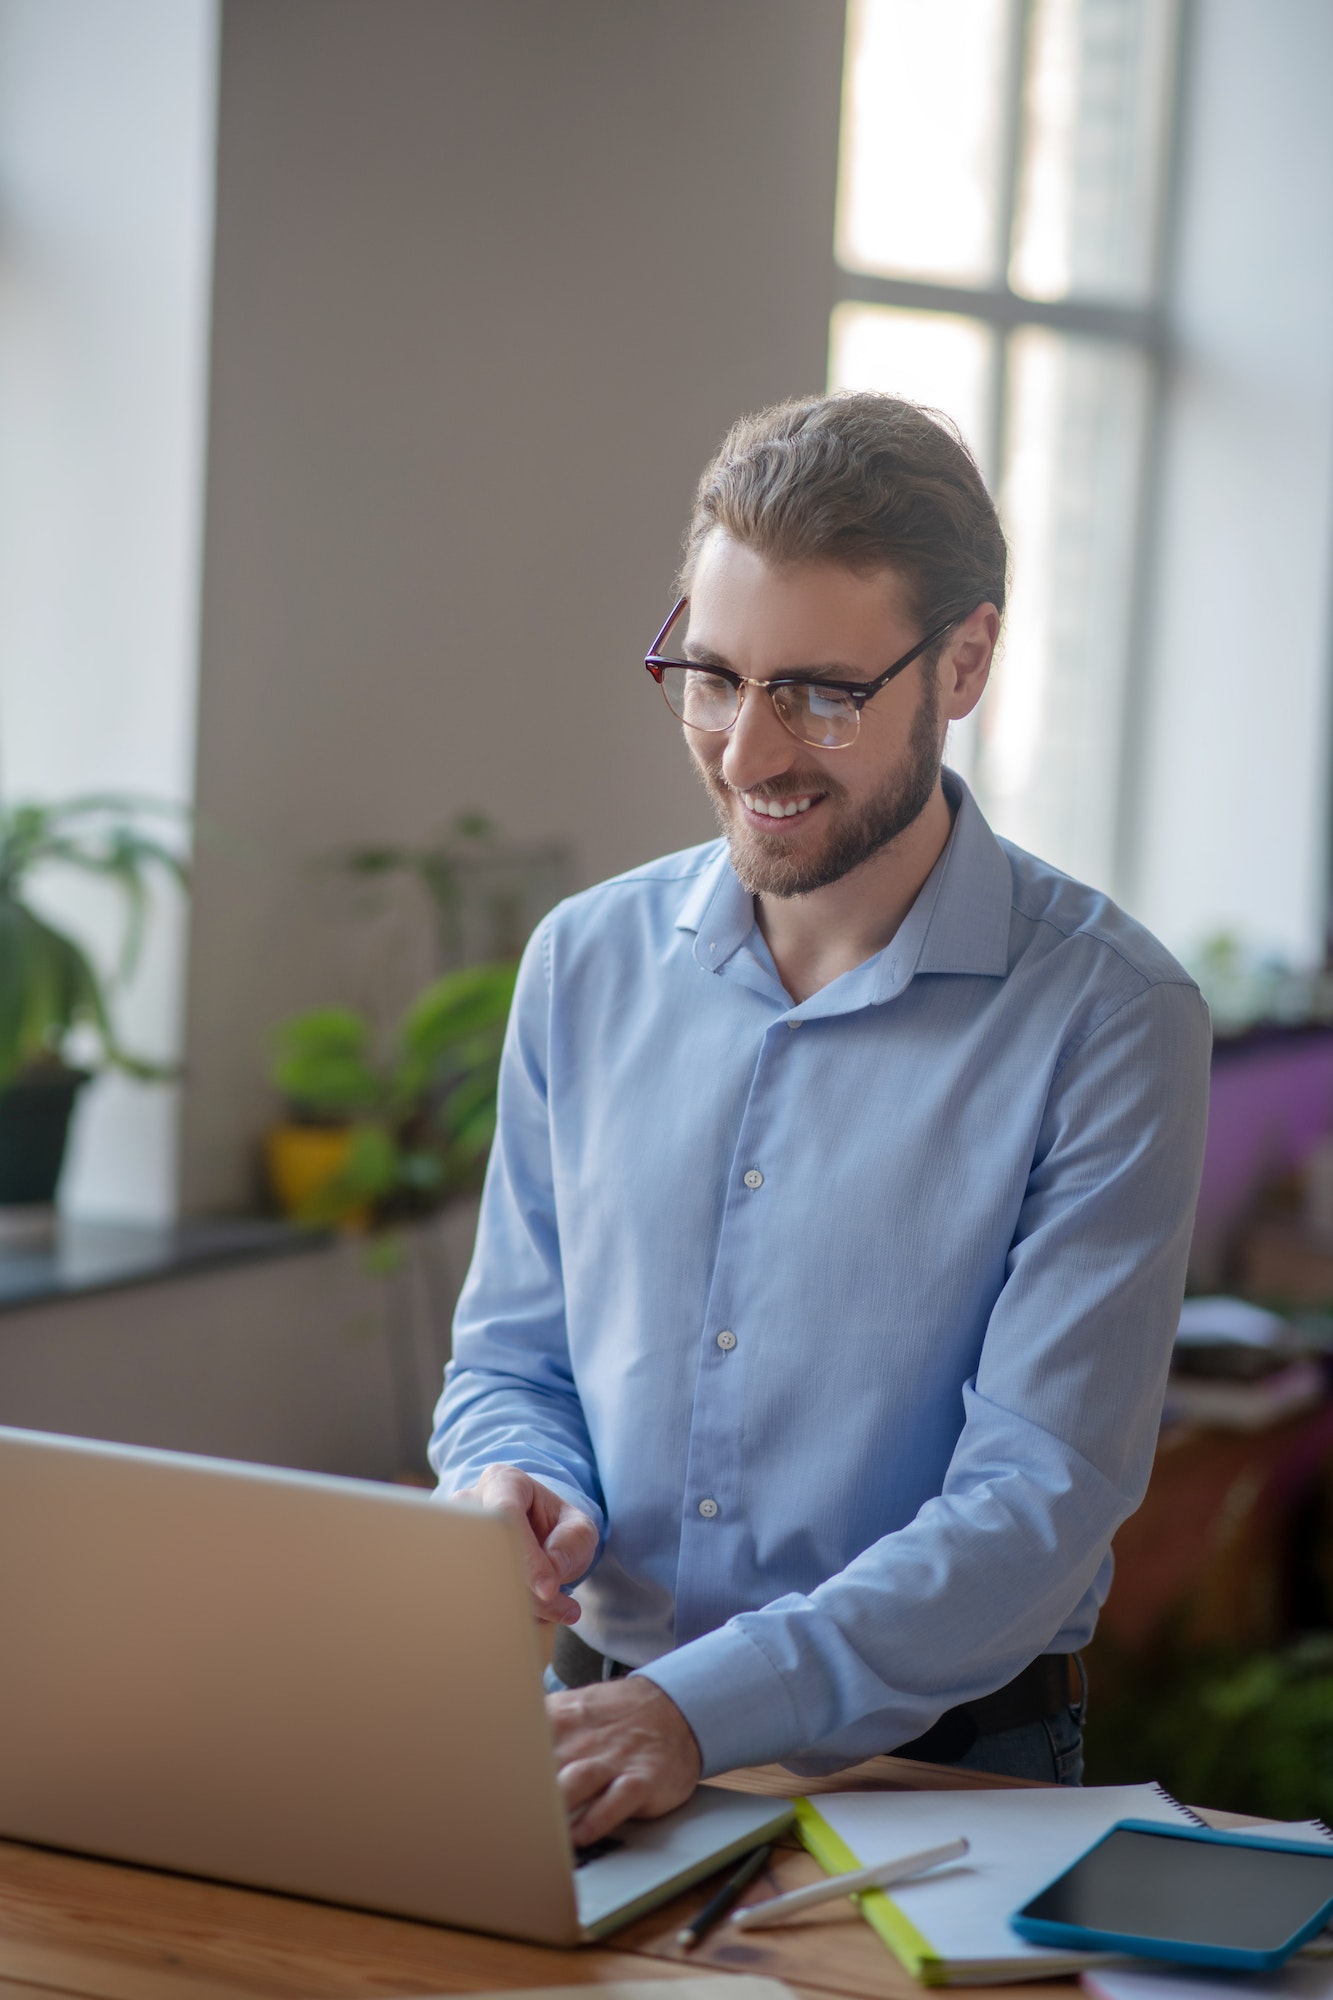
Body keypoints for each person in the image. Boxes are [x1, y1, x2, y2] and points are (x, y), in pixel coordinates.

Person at [429, 392, 1211, 1847]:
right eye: (712, 677)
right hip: (592, 1728)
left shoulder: (1107, 1016)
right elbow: (512, 1357)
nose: (746, 752)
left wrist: (702, 1711)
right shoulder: (583, 965)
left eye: (820, 692)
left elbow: (1037, 1498)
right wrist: (507, 1481)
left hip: (944, 1777)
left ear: (962, 660)